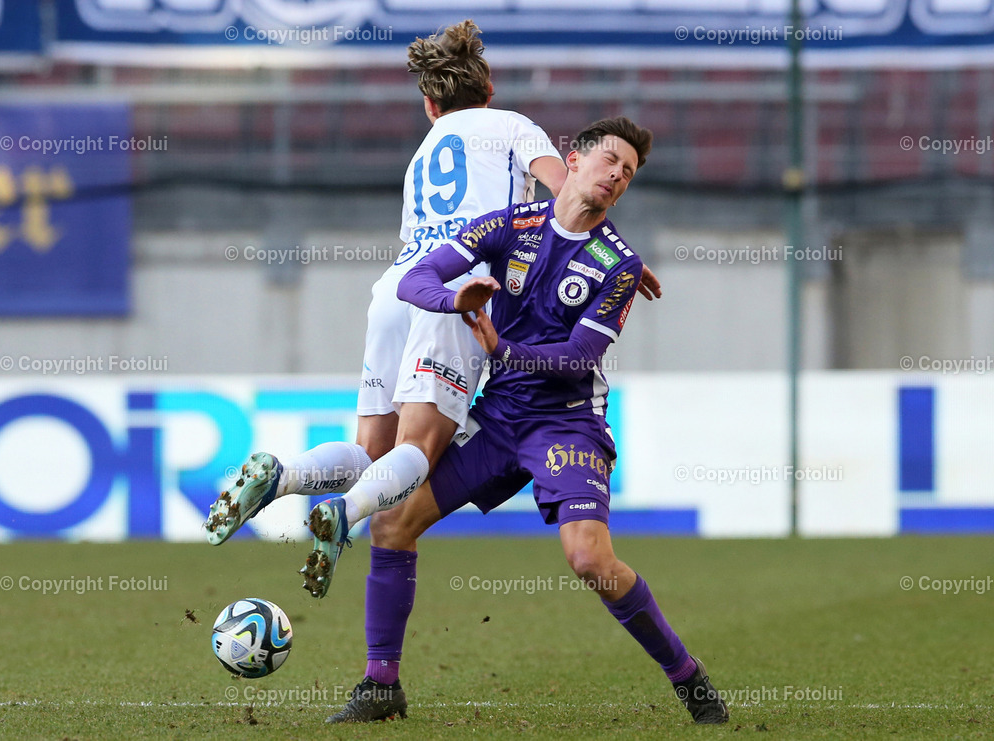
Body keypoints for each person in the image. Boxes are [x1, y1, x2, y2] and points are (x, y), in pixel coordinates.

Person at [203, 21, 661, 568]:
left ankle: (283, 476)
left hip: (399, 285)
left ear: (429, 104)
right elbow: (569, 200)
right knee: (417, 451)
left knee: (371, 451)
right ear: (489, 92)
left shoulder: (424, 152)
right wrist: (616, 256)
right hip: (457, 291)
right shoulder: (514, 126)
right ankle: (343, 513)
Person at [321, 116, 729, 726]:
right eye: (610, 160)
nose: (618, 175)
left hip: (565, 422)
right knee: (392, 524)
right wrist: (453, 300)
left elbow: (579, 360)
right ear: (574, 158)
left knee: (590, 561)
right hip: (501, 416)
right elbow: (416, 277)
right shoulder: (511, 226)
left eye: (629, 172)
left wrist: (501, 351)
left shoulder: (616, 263)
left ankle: (687, 678)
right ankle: (382, 686)